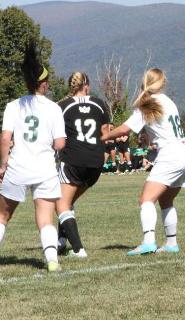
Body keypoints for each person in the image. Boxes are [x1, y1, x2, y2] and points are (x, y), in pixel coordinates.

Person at [0, 42, 66, 272]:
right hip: (44, 168)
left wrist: (2, 165)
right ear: (44, 84)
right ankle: (52, 261)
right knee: (46, 218)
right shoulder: (54, 108)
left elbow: (5, 138)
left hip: (18, 167)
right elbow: (59, 143)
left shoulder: (13, 106)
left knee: (2, 214)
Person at [101, 68, 185, 255]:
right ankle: (171, 243)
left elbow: (125, 130)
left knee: (146, 199)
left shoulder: (149, 103)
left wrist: (104, 136)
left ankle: (149, 241)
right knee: (166, 200)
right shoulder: (168, 101)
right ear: (162, 82)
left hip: (170, 154)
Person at [56, 72, 111, 258]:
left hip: (73, 160)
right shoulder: (99, 103)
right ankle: (61, 242)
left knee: (61, 204)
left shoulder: (61, 106)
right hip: (95, 163)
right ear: (86, 85)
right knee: (68, 202)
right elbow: (105, 134)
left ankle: (78, 249)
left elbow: (56, 137)